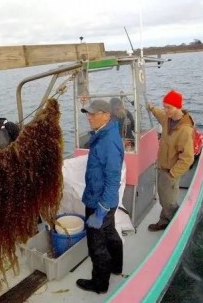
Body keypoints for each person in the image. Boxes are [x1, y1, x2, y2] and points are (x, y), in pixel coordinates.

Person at [75, 100, 124, 294]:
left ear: (106, 115)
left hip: (100, 202)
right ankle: (117, 267)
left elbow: (113, 180)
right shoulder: (107, 132)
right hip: (105, 200)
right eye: (88, 113)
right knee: (110, 233)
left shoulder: (108, 141)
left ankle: (99, 284)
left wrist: (101, 210)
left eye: (93, 114)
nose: (89, 117)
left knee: (97, 246)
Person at [146, 90, 195, 232]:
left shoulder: (185, 130)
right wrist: (152, 108)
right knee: (164, 197)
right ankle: (165, 220)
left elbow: (187, 159)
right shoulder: (168, 118)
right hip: (163, 168)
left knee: (169, 201)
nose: (165, 110)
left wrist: (172, 174)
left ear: (178, 107)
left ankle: (174, 225)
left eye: (169, 107)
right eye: (164, 106)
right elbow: (160, 114)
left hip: (170, 172)